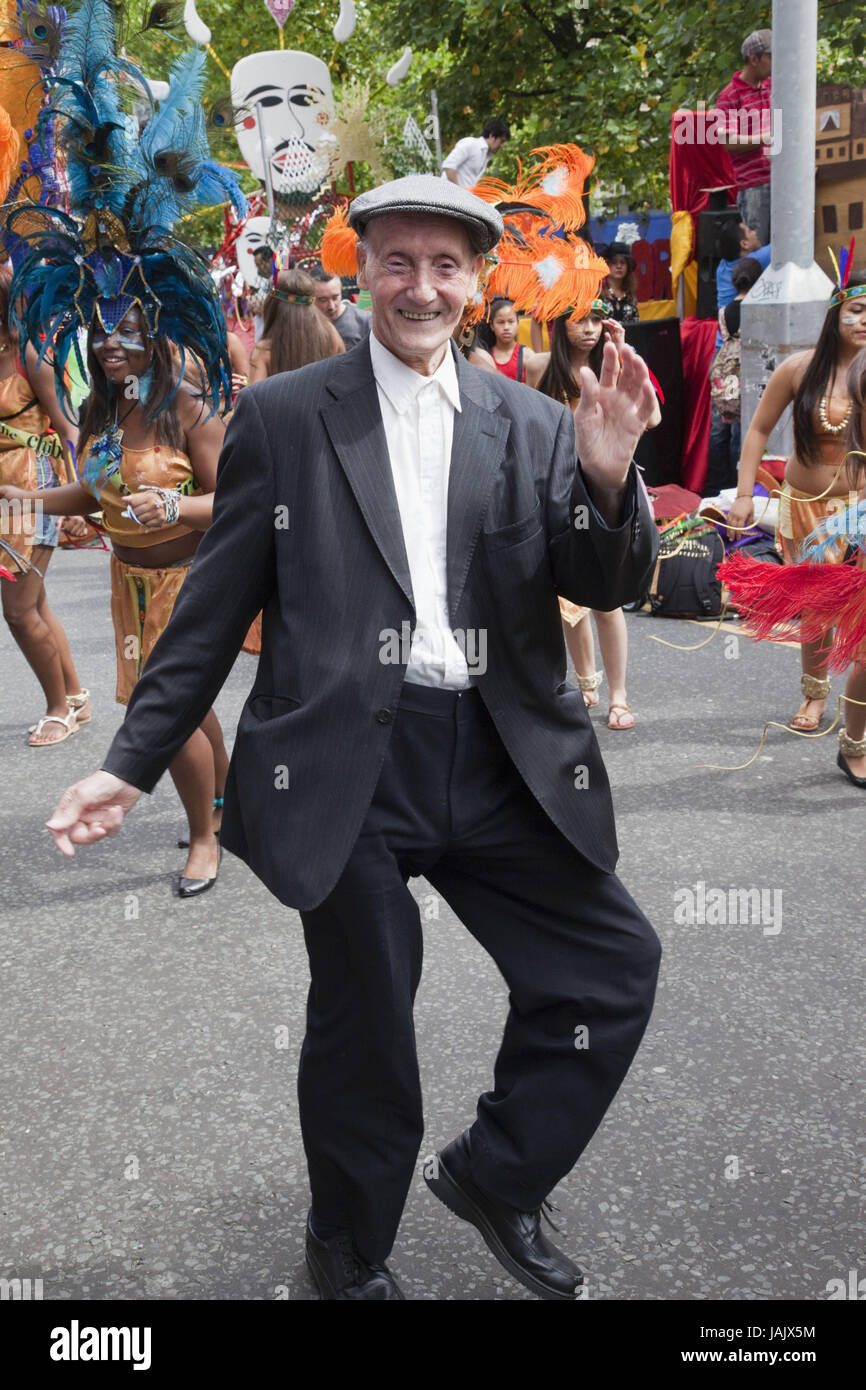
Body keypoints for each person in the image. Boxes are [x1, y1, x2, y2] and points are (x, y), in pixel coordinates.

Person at [44, 175, 661, 1303]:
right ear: (359, 270)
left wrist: (610, 475)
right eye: (396, 261)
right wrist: (127, 765)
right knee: (367, 1021)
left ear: (476, 282)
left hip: (498, 755)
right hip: (346, 759)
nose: (419, 286)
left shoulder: (530, 421)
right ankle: (346, 1246)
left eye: (443, 265)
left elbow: (600, 577)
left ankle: (496, 1173)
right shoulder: (283, 417)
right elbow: (211, 609)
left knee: (610, 968)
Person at [0, 305, 229, 893]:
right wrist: (23, 499)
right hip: (128, 585)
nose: (110, 343)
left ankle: (205, 837)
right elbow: (94, 494)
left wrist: (177, 506)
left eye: (128, 330)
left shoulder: (185, 405)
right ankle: (231, 802)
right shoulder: (100, 406)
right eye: (100, 330)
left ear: (155, 334)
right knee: (189, 707)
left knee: (163, 713)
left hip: (187, 583)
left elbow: (238, 499)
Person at [726, 271, 866, 732]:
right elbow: (759, 429)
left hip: (859, 510)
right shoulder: (799, 369)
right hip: (804, 507)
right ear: (836, 313)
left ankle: (857, 715)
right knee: (816, 607)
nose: (865, 321)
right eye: (857, 310)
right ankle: (814, 695)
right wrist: (745, 495)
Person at [533, 303, 660, 731]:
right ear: (558, 324)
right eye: (578, 320)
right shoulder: (540, 371)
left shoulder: (618, 364)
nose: (588, 330)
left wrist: (623, 359)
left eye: (594, 321)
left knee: (607, 600)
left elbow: (654, 417)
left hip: (609, 494)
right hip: (560, 496)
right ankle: (587, 685)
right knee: (569, 601)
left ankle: (618, 694)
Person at [0, 266, 88, 746]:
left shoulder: (29, 356)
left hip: (29, 488)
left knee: (17, 609)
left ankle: (58, 710)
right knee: (34, 602)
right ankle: (73, 695)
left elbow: (69, 429)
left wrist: (77, 499)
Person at [705, 255, 764, 497]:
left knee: (719, 429)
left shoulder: (724, 310)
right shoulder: (757, 311)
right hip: (747, 372)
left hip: (722, 371)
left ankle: (716, 483)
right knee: (741, 431)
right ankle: (736, 480)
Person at [716, 29, 773, 246]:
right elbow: (728, 143)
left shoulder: (773, 87)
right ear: (754, 59)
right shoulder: (729, 96)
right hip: (754, 188)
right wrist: (767, 138)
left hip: (782, 180)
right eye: (770, 56)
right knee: (759, 253)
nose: (775, 63)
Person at [249, 269, 344, 383]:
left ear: (272, 306)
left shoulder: (264, 350)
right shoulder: (330, 333)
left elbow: (253, 398)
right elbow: (343, 380)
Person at [480, 296, 542, 382]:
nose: (506, 327)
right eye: (501, 322)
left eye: (511, 321)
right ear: (492, 326)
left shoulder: (527, 355)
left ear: (518, 323)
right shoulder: (484, 357)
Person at [309, 265, 371, 349]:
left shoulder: (364, 320)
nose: (331, 306)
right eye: (323, 300)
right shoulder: (305, 324)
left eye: (335, 297)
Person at [442, 117, 509, 188]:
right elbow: (449, 166)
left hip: (460, 197)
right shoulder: (471, 144)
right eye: (501, 141)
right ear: (491, 135)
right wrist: (459, 192)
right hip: (447, 195)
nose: (502, 146)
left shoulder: (485, 155)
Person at [600, 243, 640, 324]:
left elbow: (637, 325)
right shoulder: (598, 292)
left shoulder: (631, 296)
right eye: (614, 262)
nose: (619, 266)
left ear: (628, 266)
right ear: (606, 265)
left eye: (623, 263)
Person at [249, 245, 276, 342]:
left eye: (261, 264)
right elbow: (255, 305)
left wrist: (264, 307)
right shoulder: (265, 282)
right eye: (257, 265)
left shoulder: (280, 281)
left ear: (270, 260)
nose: (259, 268)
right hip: (262, 337)